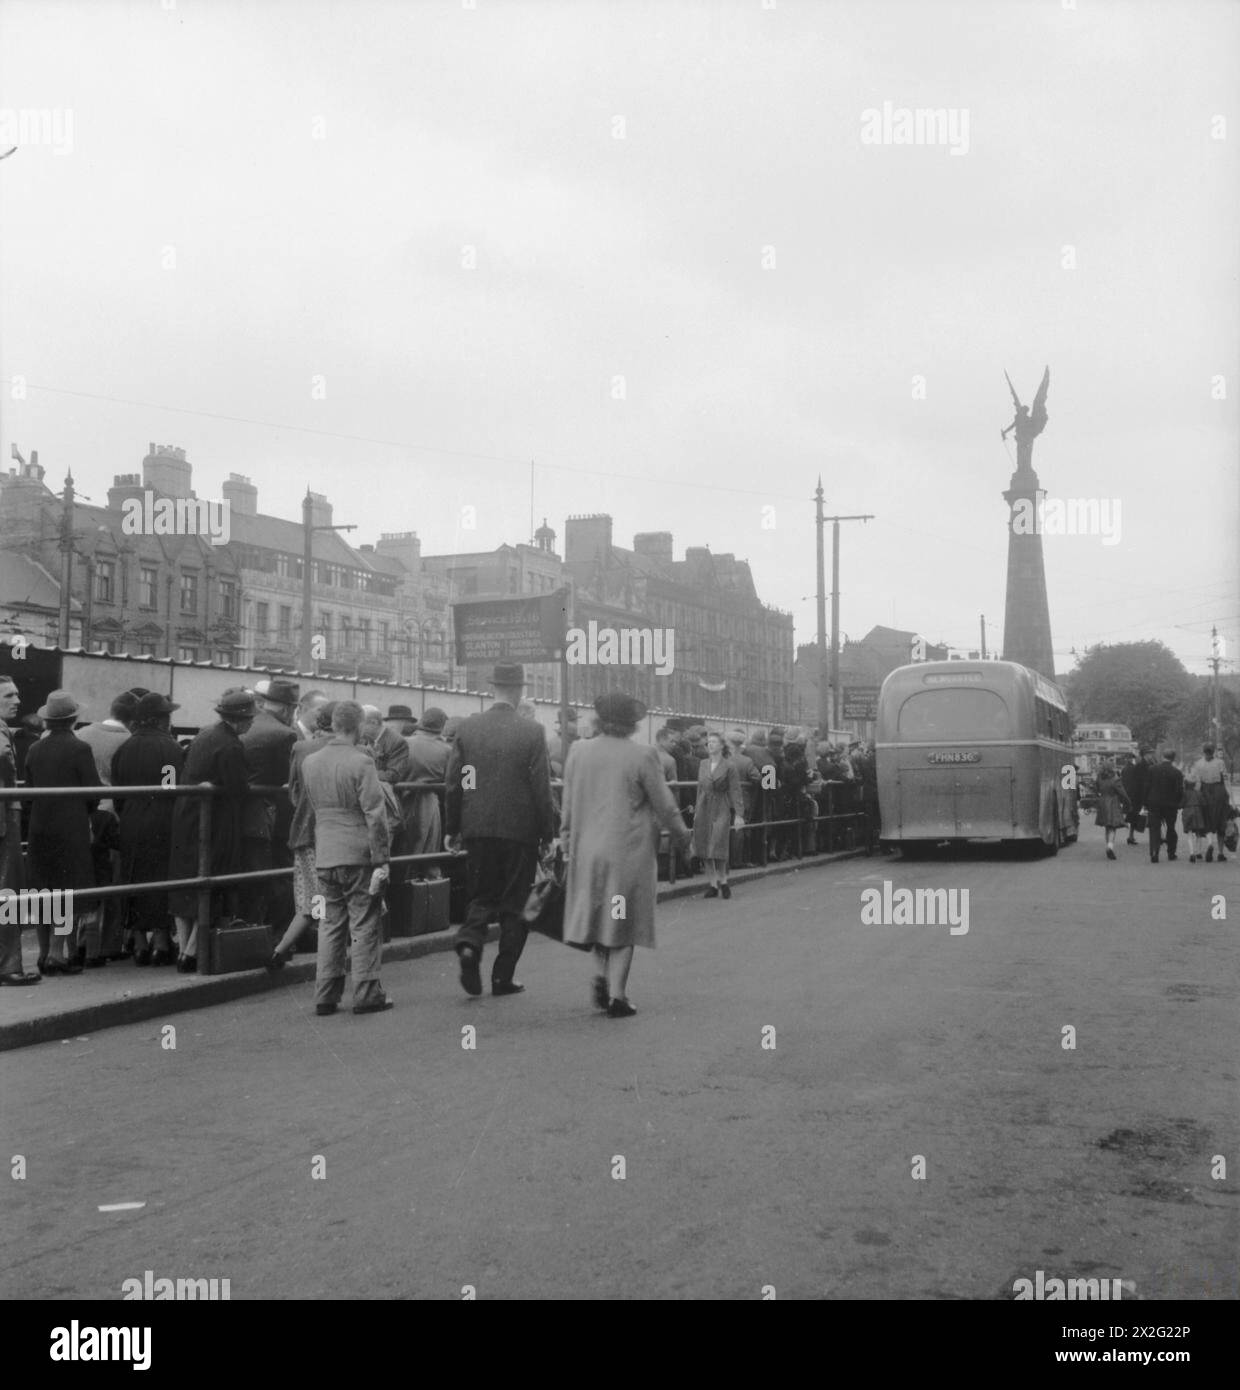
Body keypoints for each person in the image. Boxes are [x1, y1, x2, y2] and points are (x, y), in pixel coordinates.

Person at [561, 691, 692, 1017]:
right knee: (621, 918)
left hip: (587, 851)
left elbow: (567, 803)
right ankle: (618, 994)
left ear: (598, 720)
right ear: (632, 724)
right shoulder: (644, 755)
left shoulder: (578, 751)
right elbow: (665, 805)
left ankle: (601, 975)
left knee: (597, 913)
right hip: (626, 853)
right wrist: (683, 838)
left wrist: (565, 839)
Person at [445, 662, 555, 998]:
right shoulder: (532, 732)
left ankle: (469, 943)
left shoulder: (468, 729)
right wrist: (547, 834)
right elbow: (541, 788)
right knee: (515, 904)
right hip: (519, 830)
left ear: (492, 688)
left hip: (477, 826)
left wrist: (454, 826)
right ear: (520, 691)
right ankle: (502, 977)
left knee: (482, 895)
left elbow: (457, 782)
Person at [302, 701, 392, 1015]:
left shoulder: (310, 762)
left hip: (325, 852)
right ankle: (367, 994)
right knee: (365, 922)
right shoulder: (362, 762)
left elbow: (313, 808)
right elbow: (375, 814)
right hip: (358, 854)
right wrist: (381, 858)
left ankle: (325, 995)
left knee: (329, 923)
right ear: (358, 726)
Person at [167, 688, 256, 973]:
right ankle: (192, 952)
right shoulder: (231, 745)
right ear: (240, 720)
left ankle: (184, 948)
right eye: (250, 718)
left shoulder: (205, 734)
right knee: (211, 881)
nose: (252, 723)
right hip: (215, 823)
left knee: (185, 882)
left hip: (186, 816)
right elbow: (238, 788)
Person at [24, 690, 102, 974]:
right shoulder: (80, 749)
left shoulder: (34, 749)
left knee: (44, 889)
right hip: (70, 827)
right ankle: (58, 954)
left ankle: (44, 954)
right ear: (73, 719)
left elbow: (28, 794)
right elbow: (92, 792)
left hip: (40, 826)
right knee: (67, 890)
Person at [111, 693, 185, 966]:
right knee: (162, 876)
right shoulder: (170, 748)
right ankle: (162, 943)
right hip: (163, 819)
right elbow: (170, 787)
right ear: (161, 719)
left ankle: (140, 943)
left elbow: (118, 792)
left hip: (131, 818)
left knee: (133, 877)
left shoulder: (125, 747)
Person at [269, 701, 335, 968]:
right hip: (335, 834)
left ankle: (280, 950)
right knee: (340, 898)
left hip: (305, 830)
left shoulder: (300, 747)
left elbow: (293, 791)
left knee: (311, 897)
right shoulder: (357, 750)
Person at [239, 678, 300, 928]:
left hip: (239, 812)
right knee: (280, 872)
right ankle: (278, 930)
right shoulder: (285, 734)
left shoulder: (246, 725)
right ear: (288, 708)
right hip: (271, 815)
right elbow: (288, 778)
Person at [0, 676, 40, 986]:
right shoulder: (1, 731)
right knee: (9, 889)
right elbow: (2, 757)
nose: (16, 701)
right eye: (9, 695)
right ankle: (9, 965)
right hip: (5, 816)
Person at [693, 731, 744, 898]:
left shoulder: (729, 766)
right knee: (705, 844)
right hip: (704, 807)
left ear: (722, 745)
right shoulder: (703, 764)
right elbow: (700, 788)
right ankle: (713, 884)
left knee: (718, 843)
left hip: (721, 806)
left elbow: (735, 790)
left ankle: (724, 881)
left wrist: (738, 814)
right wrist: (696, 808)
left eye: (714, 742)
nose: (710, 745)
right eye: (708, 742)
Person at [404, 705, 449, 877]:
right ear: (441, 726)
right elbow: (463, 781)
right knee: (428, 853)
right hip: (430, 805)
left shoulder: (403, 743)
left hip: (402, 802)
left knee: (405, 852)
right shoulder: (446, 750)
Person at [1188, 744, 1231, 862]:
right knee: (1221, 822)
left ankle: (1208, 844)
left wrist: (1196, 797)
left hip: (1205, 793)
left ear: (1203, 751)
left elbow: (1197, 783)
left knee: (1206, 820)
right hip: (1219, 792)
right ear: (1213, 751)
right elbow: (1226, 780)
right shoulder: (1220, 762)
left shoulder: (1198, 764)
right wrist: (1230, 797)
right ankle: (1221, 853)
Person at [1145, 749, 1184, 863]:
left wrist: (1145, 803)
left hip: (1154, 803)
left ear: (1162, 756)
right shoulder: (1177, 773)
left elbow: (1146, 787)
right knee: (1171, 828)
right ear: (1173, 759)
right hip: (1170, 805)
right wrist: (1178, 803)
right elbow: (1179, 790)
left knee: (1154, 829)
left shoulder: (1152, 769)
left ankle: (1154, 852)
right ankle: (1171, 853)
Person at [1094, 760, 1130, 860]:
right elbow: (1122, 792)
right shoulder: (1115, 779)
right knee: (1113, 827)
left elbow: (1096, 789)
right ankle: (1110, 846)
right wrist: (1128, 802)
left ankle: (1108, 846)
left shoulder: (1099, 778)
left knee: (1107, 826)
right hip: (1113, 802)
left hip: (1102, 802)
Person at [1120, 749, 1152, 846]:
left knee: (1134, 816)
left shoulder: (1127, 769)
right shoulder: (1138, 767)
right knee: (1144, 815)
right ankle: (1157, 836)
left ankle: (1131, 836)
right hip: (1139, 795)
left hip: (1133, 795)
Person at [1181, 774, 1206, 863]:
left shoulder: (1184, 793)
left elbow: (1181, 804)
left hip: (1188, 812)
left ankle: (1191, 853)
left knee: (1189, 834)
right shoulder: (1198, 793)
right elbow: (1204, 803)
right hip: (1198, 812)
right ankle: (1198, 852)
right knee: (1199, 833)